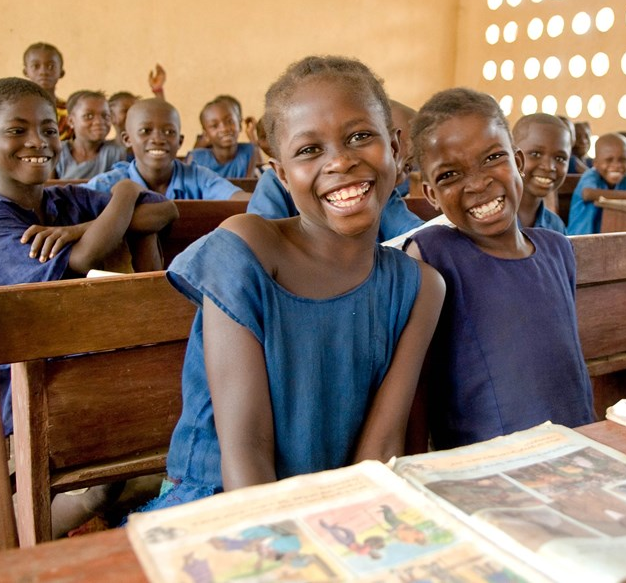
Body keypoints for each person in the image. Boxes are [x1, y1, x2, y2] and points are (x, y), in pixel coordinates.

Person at [142, 55, 444, 510]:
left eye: (360, 136)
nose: (341, 161)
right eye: (308, 150)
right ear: (281, 173)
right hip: (223, 503)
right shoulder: (246, 250)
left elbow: (381, 449)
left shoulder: (419, 286)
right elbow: (246, 454)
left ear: (397, 148)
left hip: (338, 504)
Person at [0, 77, 178, 534]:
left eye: (47, 129)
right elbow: (81, 260)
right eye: (17, 131)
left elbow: (163, 212)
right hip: (29, 388)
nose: (38, 142)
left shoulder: (66, 200)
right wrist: (121, 194)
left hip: (92, 370)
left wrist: (85, 222)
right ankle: (78, 503)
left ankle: (105, 491)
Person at [405, 87, 594, 451]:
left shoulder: (557, 250)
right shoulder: (433, 256)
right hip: (489, 469)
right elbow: (416, 390)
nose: (477, 183)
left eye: (492, 158)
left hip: (577, 448)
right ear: (430, 194)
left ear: (517, 161)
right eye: (449, 175)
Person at [248, 100, 424, 241]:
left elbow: (416, 234)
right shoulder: (274, 184)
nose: (398, 168)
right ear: (283, 174)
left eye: (408, 166)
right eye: (310, 150)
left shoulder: (383, 197)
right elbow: (260, 243)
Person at [85, 98, 249, 200]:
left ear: (180, 141)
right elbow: (66, 204)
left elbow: (236, 198)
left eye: (169, 132)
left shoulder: (199, 178)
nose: (158, 139)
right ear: (127, 139)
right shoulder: (108, 184)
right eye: (145, 131)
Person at [566, 133, 626, 235]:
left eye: (622, 160)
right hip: (578, 242)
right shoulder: (591, 175)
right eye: (609, 160)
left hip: (606, 239)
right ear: (595, 163)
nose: (616, 165)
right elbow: (588, 194)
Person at [512, 113, 570, 233]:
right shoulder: (490, 219)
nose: (549, 167)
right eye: (535, 154)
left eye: (560, 158)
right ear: (513, 155)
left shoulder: (556, 227)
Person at [54, 90, 127, 179]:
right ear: (71, 121)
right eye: (88, 116)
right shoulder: (57, 152)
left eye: (105, 116)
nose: (99, 122)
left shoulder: (116, 153)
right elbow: (47, 187)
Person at [187, 96, 261, 178]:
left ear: (239, 124)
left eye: (230, 121)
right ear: (206, 134)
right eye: (214, 126)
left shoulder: (249, 151)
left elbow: (250, 186)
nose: (224, 129)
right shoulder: (195, 158)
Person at [22, 42, 69, 141]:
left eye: (51, 66)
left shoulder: (70, 111)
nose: (43, 72)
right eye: (36, 66)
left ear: (61, 72)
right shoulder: (17, 110)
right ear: (26, 72)